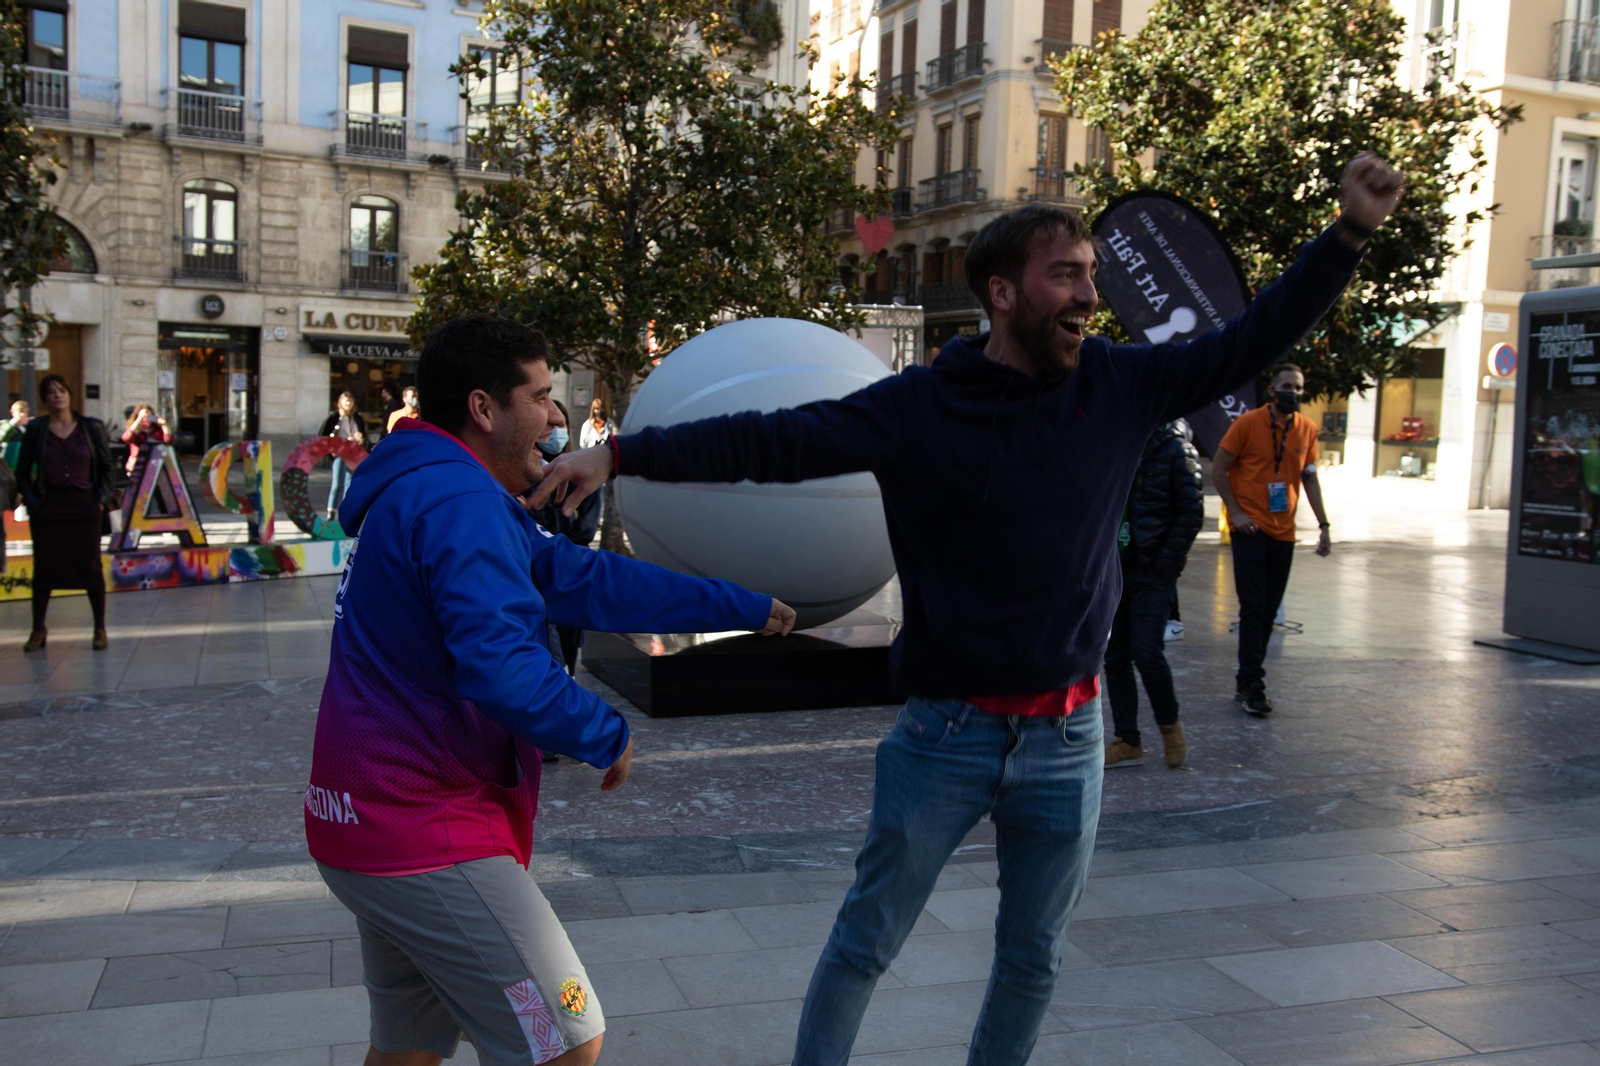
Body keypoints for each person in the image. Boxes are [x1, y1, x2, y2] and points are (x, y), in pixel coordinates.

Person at [535, 153, 1404, 1066]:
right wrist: (620, 457)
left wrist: (1347, 236)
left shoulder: (1119, 384)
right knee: (864, 945)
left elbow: (1247, 340)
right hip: (945, 737)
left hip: (1069, 738)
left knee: (1032, 959)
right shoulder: (921, 407)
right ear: (1001, 291)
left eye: (1093, 276)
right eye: (1065, 275)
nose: (1088, 295)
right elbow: (772, 439)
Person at [305, 314, 795, 1066]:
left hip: (365, 820)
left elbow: (582, 578)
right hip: (423, 830)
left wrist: (738, 606)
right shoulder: (456, 502)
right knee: (566, 1039)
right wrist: (601, 728)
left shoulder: (438, 487)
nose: (558, 416)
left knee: (406, 1050)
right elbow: (498, 663)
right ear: (483, 408)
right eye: (540, 396)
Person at [1211, 362, 1332, 717]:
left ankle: (1246, 678)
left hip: (1284, 532)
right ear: (1271, 391)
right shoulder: (1247, 424)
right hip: (1250, 529)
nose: (1292, 392)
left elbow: (1309, 478)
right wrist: (1237, 513)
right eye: (1286, 386)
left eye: (1297, 387)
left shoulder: (1307, 429)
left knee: (1267, 612)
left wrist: (1324, 525)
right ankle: (1253, 683)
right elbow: (1219, 470)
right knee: (1253, 607)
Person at [1104, 419, 1204, 769]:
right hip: (1116, 567)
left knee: (1146, 651)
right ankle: (1127, 740)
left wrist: (1165, 562)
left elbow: (1192, 511)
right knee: (1115, 657)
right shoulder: (1118, 442)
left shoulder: (1177, 449)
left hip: (1152, 570)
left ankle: (1170, 729)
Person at [17, 375, 115, 652]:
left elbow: (108, 468)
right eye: (51, 392)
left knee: (91, 567)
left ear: (70, 395)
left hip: (84, 506)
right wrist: (33, 502)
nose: (57, 396)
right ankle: (38, 628)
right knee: (44, 568)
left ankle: (100, 628)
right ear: (44, 399)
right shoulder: (37, 429)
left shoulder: (91, 428)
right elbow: (22, 471)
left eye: (61, 390)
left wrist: (100, 500)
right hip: (48, 507)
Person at [531, 400, 603, 675]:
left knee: (569, 641)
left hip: (572, 572)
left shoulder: (582, 473)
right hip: (538, 578)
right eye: (548, 426)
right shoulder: (527, 473)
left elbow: (584, 530)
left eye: (559, 425)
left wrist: (549, 521)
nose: (554, 432)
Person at [319, 391, 367, 520]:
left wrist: (360, 438)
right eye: (346, 401)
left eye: (350, 401)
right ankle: (331, 512)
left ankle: (346, 511)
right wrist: (330, 449)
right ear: (340, 403)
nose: (349, 404)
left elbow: (363, 434)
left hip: (353, 454)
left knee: (350, 483)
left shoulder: (357, 418)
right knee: (337, 482)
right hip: (339, 453)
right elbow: (324, 435)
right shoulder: (335, 417)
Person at [121, 403, 169, 474]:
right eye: (144, 418)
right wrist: (139, 419)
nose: (146, 420)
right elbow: (126, 438)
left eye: (149, 417)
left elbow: (169, 441)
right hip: (138, 464)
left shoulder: (157, 430)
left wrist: (164, 425)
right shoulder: (136, 431)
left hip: (155, 464)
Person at [0, 400, 30, 470]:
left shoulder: (27, 428)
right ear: (13, 413)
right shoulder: (5, 423)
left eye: (24, 412)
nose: (22, 415)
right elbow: (1, 437)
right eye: (20, 412)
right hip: (7, 465)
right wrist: (14, 422)